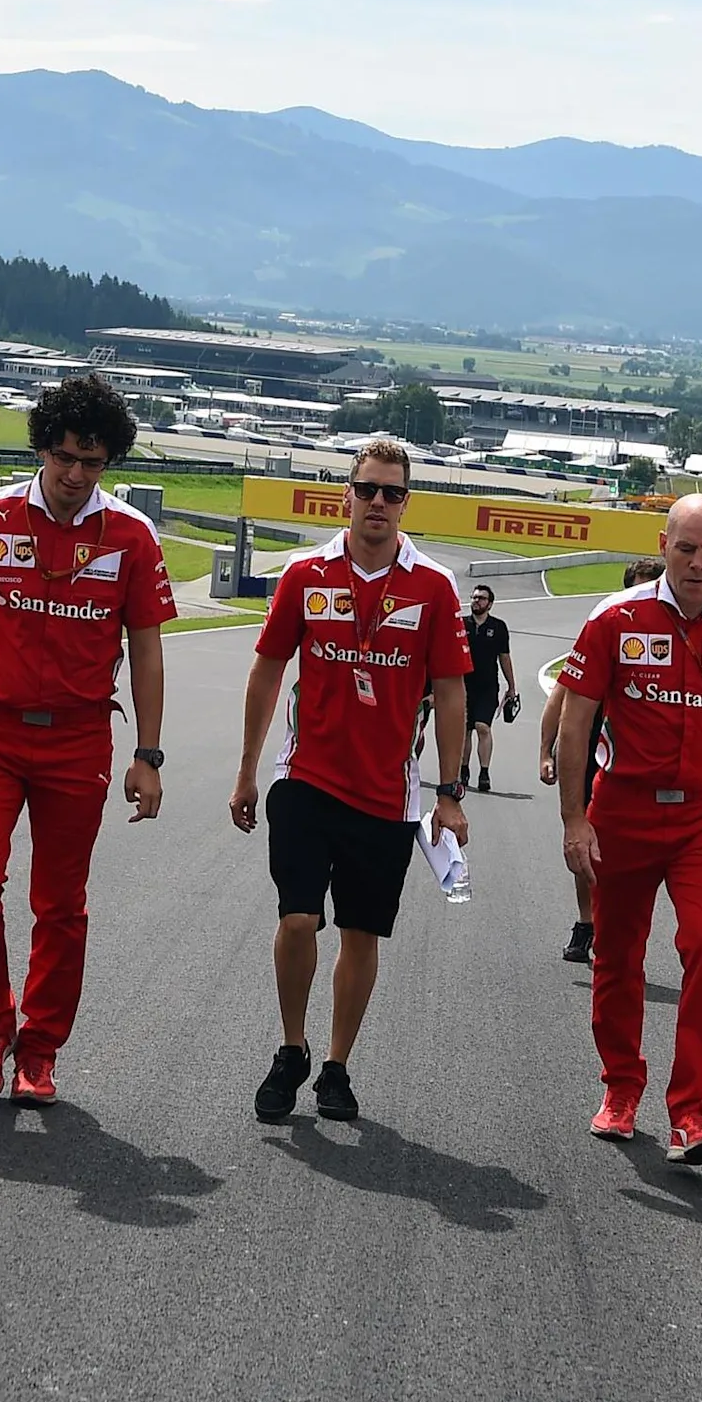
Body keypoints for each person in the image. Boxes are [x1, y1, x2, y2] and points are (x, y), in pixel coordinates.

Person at [0, 373, 176, 1107]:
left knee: (60, 904)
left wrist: (148, 756)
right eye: (64, 458)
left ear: (109, 463)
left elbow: (147, 652)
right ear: (42, 450)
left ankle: (41, 1048)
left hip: (79, 740)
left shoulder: (131, 536)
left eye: (93, 463)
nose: (76, 476)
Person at [230, 438, 472, 1124]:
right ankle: (291, 1047)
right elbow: (268, 670)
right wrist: (247, 771)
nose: (378, 503)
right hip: (305, 778)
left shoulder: (433, 586)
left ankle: (335, 1064)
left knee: (361, 935)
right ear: (347, 494)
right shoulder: (306, 573)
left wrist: (450, 793)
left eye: (391, 493)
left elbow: (451, 691)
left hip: (387, 796)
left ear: (405, 504)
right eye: (367, 488)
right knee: (299, 915)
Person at [551, 500, 702, 1166]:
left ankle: (694, 1112)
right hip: (623, 810)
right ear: (664, 544)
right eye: (686, 548)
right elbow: (576, 721)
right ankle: (621, 1087)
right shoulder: (616, 617)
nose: (698, 562)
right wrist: (575, 817)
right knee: (617, 955)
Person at [537, 557, 661, 963]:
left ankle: (618, 923)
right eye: (640, 587)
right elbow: (562, 693)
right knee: (587, 843)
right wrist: (546, 750)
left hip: (639, 754)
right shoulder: (606, 625)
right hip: (592, 744)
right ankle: (586, 921)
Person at [462, 584, 515, 791]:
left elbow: (504, 657)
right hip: (463, 686)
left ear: (490, 604)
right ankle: (463, 769)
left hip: (487, 687)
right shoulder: (461, 624)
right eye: (474, 597)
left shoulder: (499, 627)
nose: (476, 601)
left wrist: (512, 686)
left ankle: (484, 772)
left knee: (482, 727)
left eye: (481, 598)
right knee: (464, 731)